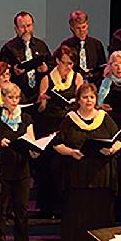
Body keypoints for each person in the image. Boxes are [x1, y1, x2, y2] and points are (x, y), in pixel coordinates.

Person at [53, 83, 121, 241]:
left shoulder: (104, 117)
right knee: (78, 213)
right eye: (85, 97)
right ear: (78, 100)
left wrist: (112, 149)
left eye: (92, 97)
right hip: (78, 174)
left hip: (101, 175)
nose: (89, 100)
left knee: (100, 212)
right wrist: (71, 152)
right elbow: (57, 144)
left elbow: (118, 140)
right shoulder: (70, 119)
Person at [0, 82, 38, 241]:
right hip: (1, 171)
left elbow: (32, 142)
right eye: (11, 98)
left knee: (21, 210)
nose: (14, 101)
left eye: (17, 98)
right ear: (3, 98)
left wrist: (35, 151)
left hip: (22, 170)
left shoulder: (26, 118)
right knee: (0, 211)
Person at [35, 45, 83, 218]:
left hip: (68, 125)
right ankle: (48, 207)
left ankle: (66, 206)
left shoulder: (77, 77)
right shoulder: (47, 78)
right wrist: (42, 100)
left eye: (71, 63)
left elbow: (81, 102)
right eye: (64, 63)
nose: (67, 67)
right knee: (49, 166)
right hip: (49, 125)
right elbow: (40, 109)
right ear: (57, 61)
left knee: (66, 166)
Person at [1, 11, 52, 104]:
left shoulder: (41, 46)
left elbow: (52, 66)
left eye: (29, 26)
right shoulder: (8, 48)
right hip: (18, 97)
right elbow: (1, 72)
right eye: (22, 27)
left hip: (40, 93)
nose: (26, 30)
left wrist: (46, 69)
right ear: (16, 29)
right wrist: (13, 71)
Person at [61, 10, 107, 82]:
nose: (82, 31)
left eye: (83, 27)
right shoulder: (67, 45)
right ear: (72, 28)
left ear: (87, 25)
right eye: (78, 28)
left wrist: (92, 75)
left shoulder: (96, 44)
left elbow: (102, 67)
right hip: (73, 82)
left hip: (94, 83)